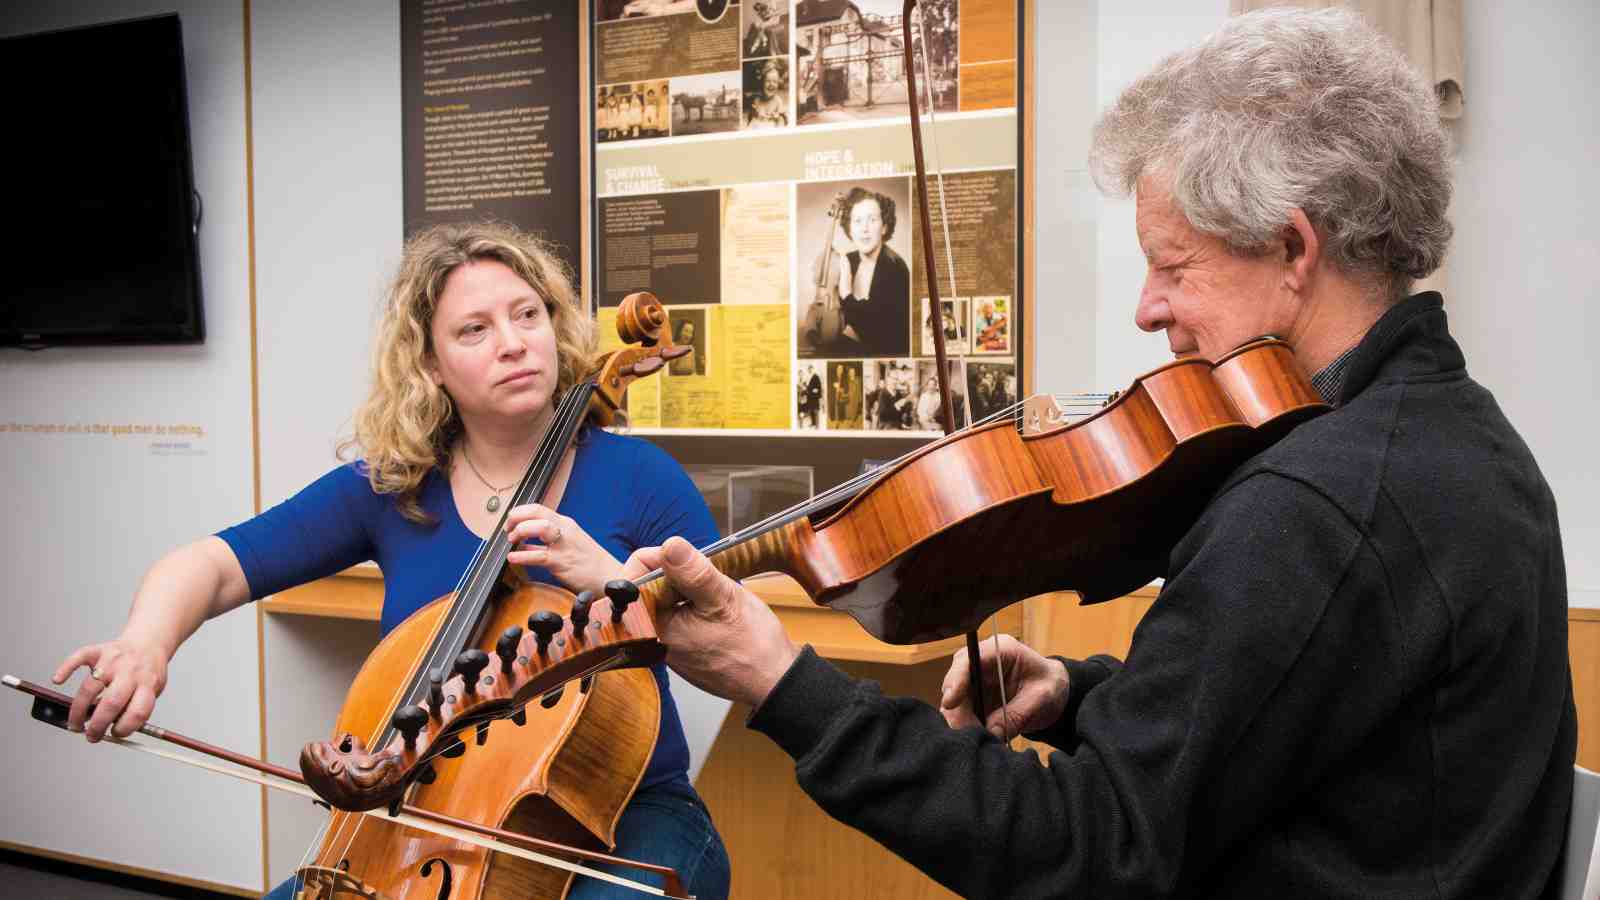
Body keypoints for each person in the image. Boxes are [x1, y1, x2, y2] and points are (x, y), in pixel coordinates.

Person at [633, 9, 1576, 896]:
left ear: (1294, 248)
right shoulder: (1466, 438)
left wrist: (781, 682)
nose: (1146, 308)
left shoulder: (1317, 502)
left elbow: (1088, 852)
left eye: (1175, 266)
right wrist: (1081, 697)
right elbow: (1317, 722)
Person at [53, 223, 731, 900]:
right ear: (431, 365)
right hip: (423, 820)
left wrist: (612, 580)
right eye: (475, 330)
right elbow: (217, 563)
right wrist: (145, 644)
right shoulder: (397, 486)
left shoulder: (641, 477)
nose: (514, 342)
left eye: (528, 315)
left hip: (622, 816)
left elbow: (729, 635)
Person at [829, 187, 911, 357]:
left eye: (872, 220)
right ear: (849, 229)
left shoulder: (895, 269)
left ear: (884, 227)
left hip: (881, 351)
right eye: (857, 221)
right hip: (849, 347)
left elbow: (873, 331)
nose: (864, 228)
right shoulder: (848, 260)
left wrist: (845, 291)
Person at [744, 58, 788, 129]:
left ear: (778, 84)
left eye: (775, 82)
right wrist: (754, 113)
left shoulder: (777, 101)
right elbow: (751, 120)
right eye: (768, 81)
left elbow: (782, 121)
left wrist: (777, 117)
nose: (771, 84)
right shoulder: (757, 100)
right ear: (762, 82)